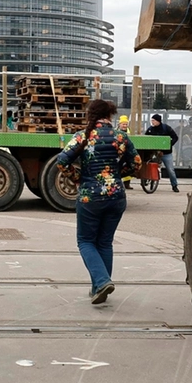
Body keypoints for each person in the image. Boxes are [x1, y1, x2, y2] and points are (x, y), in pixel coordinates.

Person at [55, 99, 140, 304]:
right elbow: (136, 163)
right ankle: (98, 288)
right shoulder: (121, 137)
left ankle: (102, 281)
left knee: (85, 241)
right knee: (104, 242)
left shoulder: (82, 137)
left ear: (90, 114)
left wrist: (77, 178)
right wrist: (118, 174)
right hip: (116, 196)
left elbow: (61, 161)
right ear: (110, 114)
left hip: (90, 196)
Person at [144, 114, 180, 192]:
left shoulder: (166, 128)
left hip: (166, 153)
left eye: (153, 120)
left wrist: (169, 145)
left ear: (158, 121)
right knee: (150, 166)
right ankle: (147, 181)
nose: (152, 122)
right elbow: (146, 138)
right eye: (151, 120)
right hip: (154, 152)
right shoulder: (150, 129)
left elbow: (175, 137)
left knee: (170, 170)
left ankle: (174, 185)